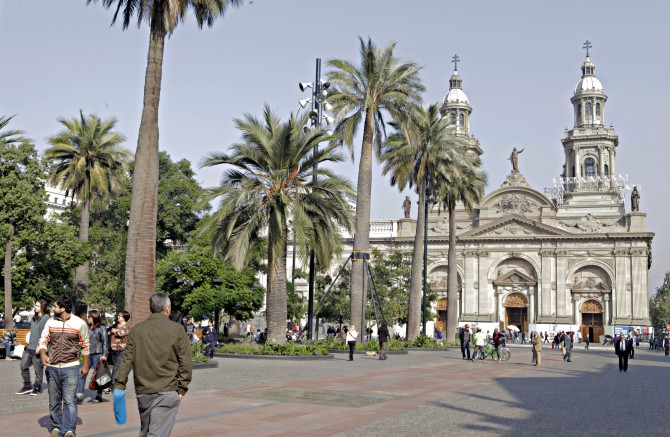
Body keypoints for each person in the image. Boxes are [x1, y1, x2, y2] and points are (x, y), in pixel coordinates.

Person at [114, 293, 192, 437]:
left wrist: (119, 384)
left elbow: (127, 359)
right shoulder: (177, 329)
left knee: (147, 430)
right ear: (167, 309)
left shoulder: (137, 330)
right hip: (168, 389)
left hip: (144, 391)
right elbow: (185, 361)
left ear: (151, 308)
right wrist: (182, 388)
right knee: (155, 433)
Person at [38, 294, 90, 437]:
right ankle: (55, 426)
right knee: (54, 401)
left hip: (72, 367)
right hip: (52, 367)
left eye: (55, 306)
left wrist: (85, 367)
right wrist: (43, 354)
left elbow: (85, 346)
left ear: (62, 308)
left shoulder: (79, 323)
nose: (52, 308)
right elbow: (43, 340)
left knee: (69, 401)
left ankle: (68, 429)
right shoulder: (50, 322)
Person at [17, 299, 50, 395]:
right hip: (30, 347)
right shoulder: (33, 318)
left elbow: (47, 334)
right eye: (35, 305)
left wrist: (40, 346)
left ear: (43, 307)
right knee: (23, 366)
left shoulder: (46, 318)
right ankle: (27, 385)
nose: (35, 307)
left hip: (39, 348)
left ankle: (37, 387)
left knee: (38, 369)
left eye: (38, 306)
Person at [77, 310, 108, 404]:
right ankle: (79, 395)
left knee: (99, 376)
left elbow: (105, 342)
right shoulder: (87, 327)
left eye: (89, 317)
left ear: (94, 317)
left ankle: (99, 396)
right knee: (82, 373)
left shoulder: (101, 328)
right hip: (87, 354)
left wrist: (105, 354)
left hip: (98, 354)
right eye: (88, 316)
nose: (88, 318)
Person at [109, 311, 131, 393]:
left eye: (120, 316)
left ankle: (113, 385)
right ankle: (121, 383)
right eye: (118, 315)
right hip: (114, 349)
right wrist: (113, 330)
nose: (118, 316)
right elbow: (109, 331)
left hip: (122, 350)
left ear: (124, 317)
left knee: (116, 368)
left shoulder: (127, 326)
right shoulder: (116, 325)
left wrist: (114, 330)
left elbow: (120, 333)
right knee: (118, 367)